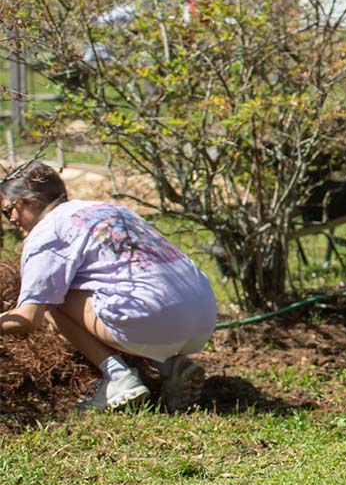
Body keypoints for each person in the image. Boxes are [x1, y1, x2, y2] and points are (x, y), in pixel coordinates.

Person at [0, 161, 217, 412]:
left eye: (8, 211)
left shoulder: (47, 233)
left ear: (29, 201)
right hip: (203, 315)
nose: (11, 220)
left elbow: (28, 319)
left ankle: (118, 377)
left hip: (151, 315)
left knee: (50, 298)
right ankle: (168, 366)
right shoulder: (103, 209)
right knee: (116, 287)